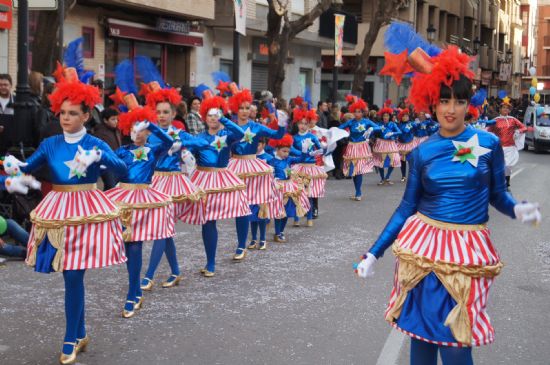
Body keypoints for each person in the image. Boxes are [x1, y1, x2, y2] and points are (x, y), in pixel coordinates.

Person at [355, 45, 541, 365]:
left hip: (467, 254)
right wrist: (374, 252)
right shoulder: (423, 152)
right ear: (432, 103)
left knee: (457, 345)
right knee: (421, 339)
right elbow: (406, 207)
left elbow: (497, 194)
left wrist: (515, 208)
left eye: (458, 100)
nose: (450, 108)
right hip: (423, 252)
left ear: (469, 104)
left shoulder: (489, 143)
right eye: (443, 100)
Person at [6, 66, 127, 364]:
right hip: (58, 211)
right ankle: (81, 331)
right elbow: (25, 168)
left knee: (73, 276)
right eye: (62, 113)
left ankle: (70, 337)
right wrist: (10, 165)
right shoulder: (50, 144)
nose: (65, 118)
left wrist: (102, 156)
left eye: (72, 113)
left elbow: (123, 171)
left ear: (86, 115)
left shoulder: (95, 142)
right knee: (71, 277)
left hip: (86, 212)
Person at [105, 98, 189, 318]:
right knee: (128, 248)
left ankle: (133, 294)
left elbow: (169, 140)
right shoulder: (122, 151)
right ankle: (134, 289)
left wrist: (151, 125)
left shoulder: (153, 150)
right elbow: (109, 165)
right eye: (133, 128)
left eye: (140, 128)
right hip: (124, 200)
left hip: (146, 200)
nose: (137, 132)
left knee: (137, 246)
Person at [140, 83, 207, 290]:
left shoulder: (180, 133)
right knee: (165, 229)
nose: (161, 116)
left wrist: (184, 146)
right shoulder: (151, 134)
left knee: (162, 230)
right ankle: (175, 270)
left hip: (174, 184)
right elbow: (148, 153)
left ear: (174, 113)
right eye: (158, 112)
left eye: (165, 112)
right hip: (155, 182)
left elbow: (202, 144)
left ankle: (149, 275)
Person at [190, 95, 249, 277]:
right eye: (209, 115)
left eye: (216, 115)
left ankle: (241, 245)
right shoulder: (199, 137)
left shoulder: (226, 134)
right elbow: (187, 155)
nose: (213, 118)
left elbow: (240, 134)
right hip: (204, 179)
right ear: (204, 118)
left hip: (224, 178)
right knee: (208, 221)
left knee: (242, 209)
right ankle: (210, 263)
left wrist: (224, 118)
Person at [227, 88, 286, 260]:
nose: (245, 111)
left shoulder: (256, 127)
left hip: (252, 168)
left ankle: (241, 245)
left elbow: (276, 135)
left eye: (247, 108)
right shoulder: (229, 126)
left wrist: (281, 123)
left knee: (245, 207)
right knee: (238, 208)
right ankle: (241, 244)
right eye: (241, 108)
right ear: (235, 109)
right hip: (234, 168)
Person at [268, 134, 310, 243]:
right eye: (283, 151)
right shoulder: (272, 161)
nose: (286, 154)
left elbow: (301, 158)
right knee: (279, 211)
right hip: (277, 188)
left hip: (289, 187)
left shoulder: (289, 160)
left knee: (287, 211)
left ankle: (281, 231)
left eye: (287, 151)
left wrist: (305, 150)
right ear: (277, 150)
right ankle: (277, 233)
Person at [338, 98, 379, 200]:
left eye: (359, 112)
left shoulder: (366, 121)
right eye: (355, 112)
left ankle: (358, 192)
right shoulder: (350, 122)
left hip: (362, 147)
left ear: (362, 112)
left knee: (359, 170)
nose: (357, 114)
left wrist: (371, 128)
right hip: (351, 147)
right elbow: (339, 128)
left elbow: (378, 128)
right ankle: (357, 191)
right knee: (353, 171)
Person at [290, 108, 326, 227]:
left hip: (310, 167)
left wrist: (314, 153)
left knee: (309, 193)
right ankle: (297, 217)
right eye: (300, 123)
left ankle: (309, 217)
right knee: (297, 193)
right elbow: (291, 149)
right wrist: (302, 153)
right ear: (297, 123)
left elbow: (320, 149)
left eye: (305, 123)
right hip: (299, 167)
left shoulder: (312, 136)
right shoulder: (294, 137)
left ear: (309, 124)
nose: (303, 126)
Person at [487, 97, 527, 191]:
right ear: (500, 109)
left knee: (508, 166)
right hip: (499, 148)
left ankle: (506, 182)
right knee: (500, 166)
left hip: (510, 147)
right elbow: (487, 131)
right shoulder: (495, 120)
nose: (505, 109)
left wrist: (519, 131)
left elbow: (524, 128)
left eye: (507, 108)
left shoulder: (513, 119)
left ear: (509, 110)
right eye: (503, 107)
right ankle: (499, 183)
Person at [93, 109, 122, 190]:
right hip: (106, 165)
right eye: (113, 119)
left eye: (117, 119)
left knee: (113, 186)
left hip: (116, 162)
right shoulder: (99, 133)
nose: (116, 121)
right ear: (105, 120)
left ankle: (106, 201)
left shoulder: (117, 131)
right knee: (111, 186)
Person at [373, 106, 402, 185]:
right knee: (380, 161)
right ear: (382, 116)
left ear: (390, 117)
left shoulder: (392, 124)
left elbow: (400, 132)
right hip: (381, 143)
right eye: (384, 116)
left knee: (394, 160)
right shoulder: (379, 124)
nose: (385, 117)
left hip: (390, 144)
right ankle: (382, 178)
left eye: (387, 116)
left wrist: (393, 133)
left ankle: (387, 177)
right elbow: (373, 131)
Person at [396, 108, 415, 182]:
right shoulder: (399, 125)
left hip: (409, 144)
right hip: (401, 144)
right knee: (402, 161)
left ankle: (412, 176)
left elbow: (407, 131)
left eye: (406, 116)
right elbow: (398, 133)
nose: (405, 117)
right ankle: (403, 176)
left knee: (411, 160)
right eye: (403, 116)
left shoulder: (411, 123)